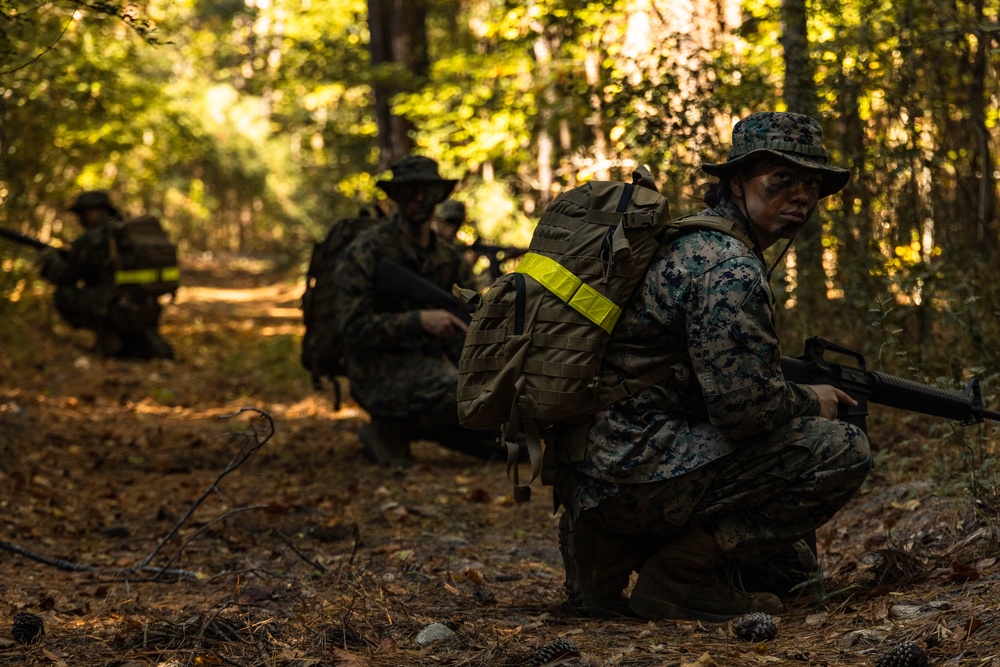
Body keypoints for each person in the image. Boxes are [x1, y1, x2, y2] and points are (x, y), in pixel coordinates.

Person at [552, 112, 873, 621]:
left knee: (792, 578)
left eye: (811, 184)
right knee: (841, 449)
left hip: (596, 466)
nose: (802, 197)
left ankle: (609, 549)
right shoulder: (729, 265)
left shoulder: (692, 241)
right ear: (737, 182)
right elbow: (746, 412)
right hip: (630, 469)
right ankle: (674, 580)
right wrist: (816, 398)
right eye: (782, 180)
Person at [332, 156, 500, 466]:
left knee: (504, 438)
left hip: (434, 371)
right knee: (458, 392)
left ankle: (399, 431)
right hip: (379, 372)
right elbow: (352, 328)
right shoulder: (367, 251)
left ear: (440, 197)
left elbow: (471, 325)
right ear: (396, 196)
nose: (419, 199)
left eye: (427, 191)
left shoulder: (450, 258)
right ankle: (389, 427)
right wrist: (418, 321)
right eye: (410, 191)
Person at [38, 190, 174, 360]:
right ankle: (127, 342)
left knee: (63, 295)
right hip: (149, 308)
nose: (81, 218)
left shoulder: (93, 239)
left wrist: (51, 261)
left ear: (99, 210)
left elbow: (66, 277)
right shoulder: (125, 233)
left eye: (84, 212)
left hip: (117, 309)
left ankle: (114, 340)